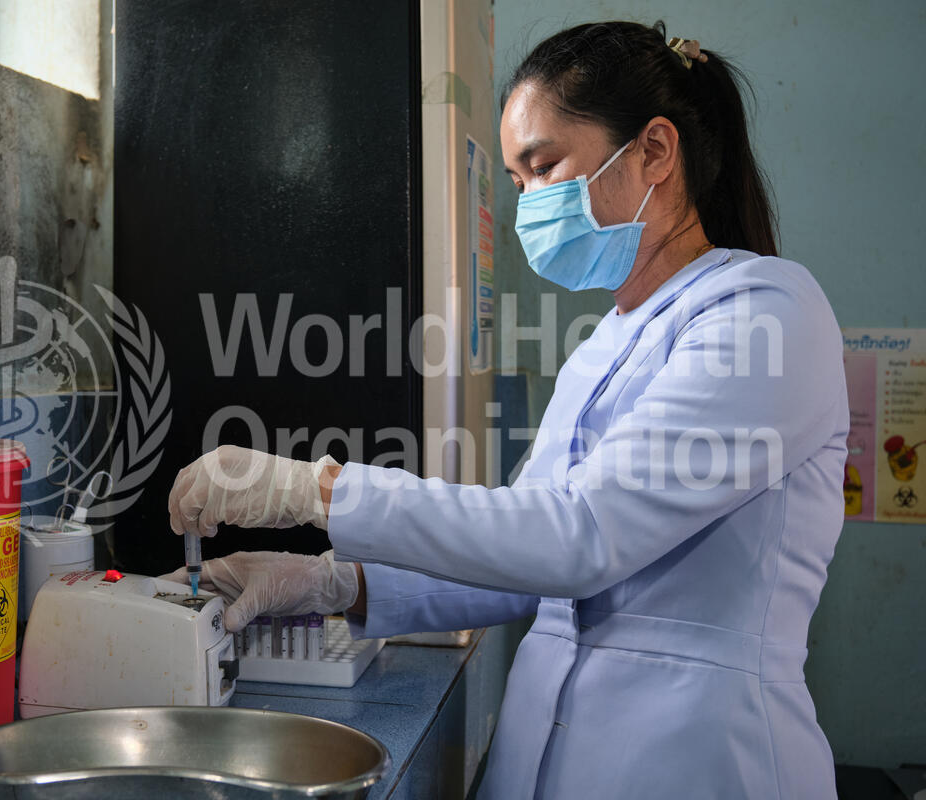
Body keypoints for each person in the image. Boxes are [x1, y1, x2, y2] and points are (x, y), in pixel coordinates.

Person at [164, 21, 846, 799]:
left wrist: (313, 490)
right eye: (518, 183)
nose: (528, 206)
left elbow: (580, 538)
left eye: (544, 166)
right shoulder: (606, 343)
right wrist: (332, 584)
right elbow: (524, 568)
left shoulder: (766, 316)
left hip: (700, 765)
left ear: (655, 151)